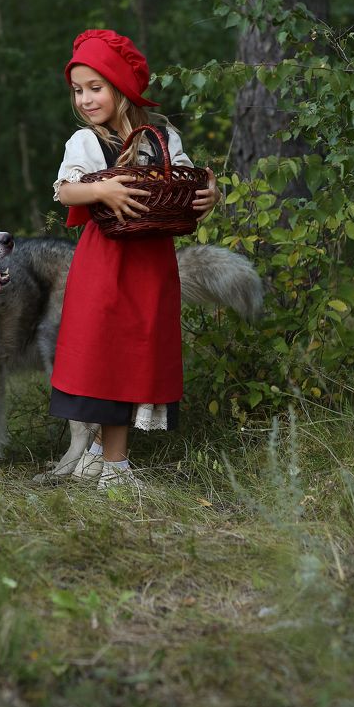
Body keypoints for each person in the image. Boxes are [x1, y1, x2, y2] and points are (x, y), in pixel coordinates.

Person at [50, 28, 219, 491]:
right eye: (78, 90)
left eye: (95, 87)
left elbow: (184, 183)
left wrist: (209, 195)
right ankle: (115, 469)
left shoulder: (161, 137)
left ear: (122, 86)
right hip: (107, 261)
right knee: (107, 352)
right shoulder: (87, 141)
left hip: (150, 262)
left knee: (136, 352)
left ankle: (97, 459)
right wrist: (102, 189)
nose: (85, 99)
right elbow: (66, 190)